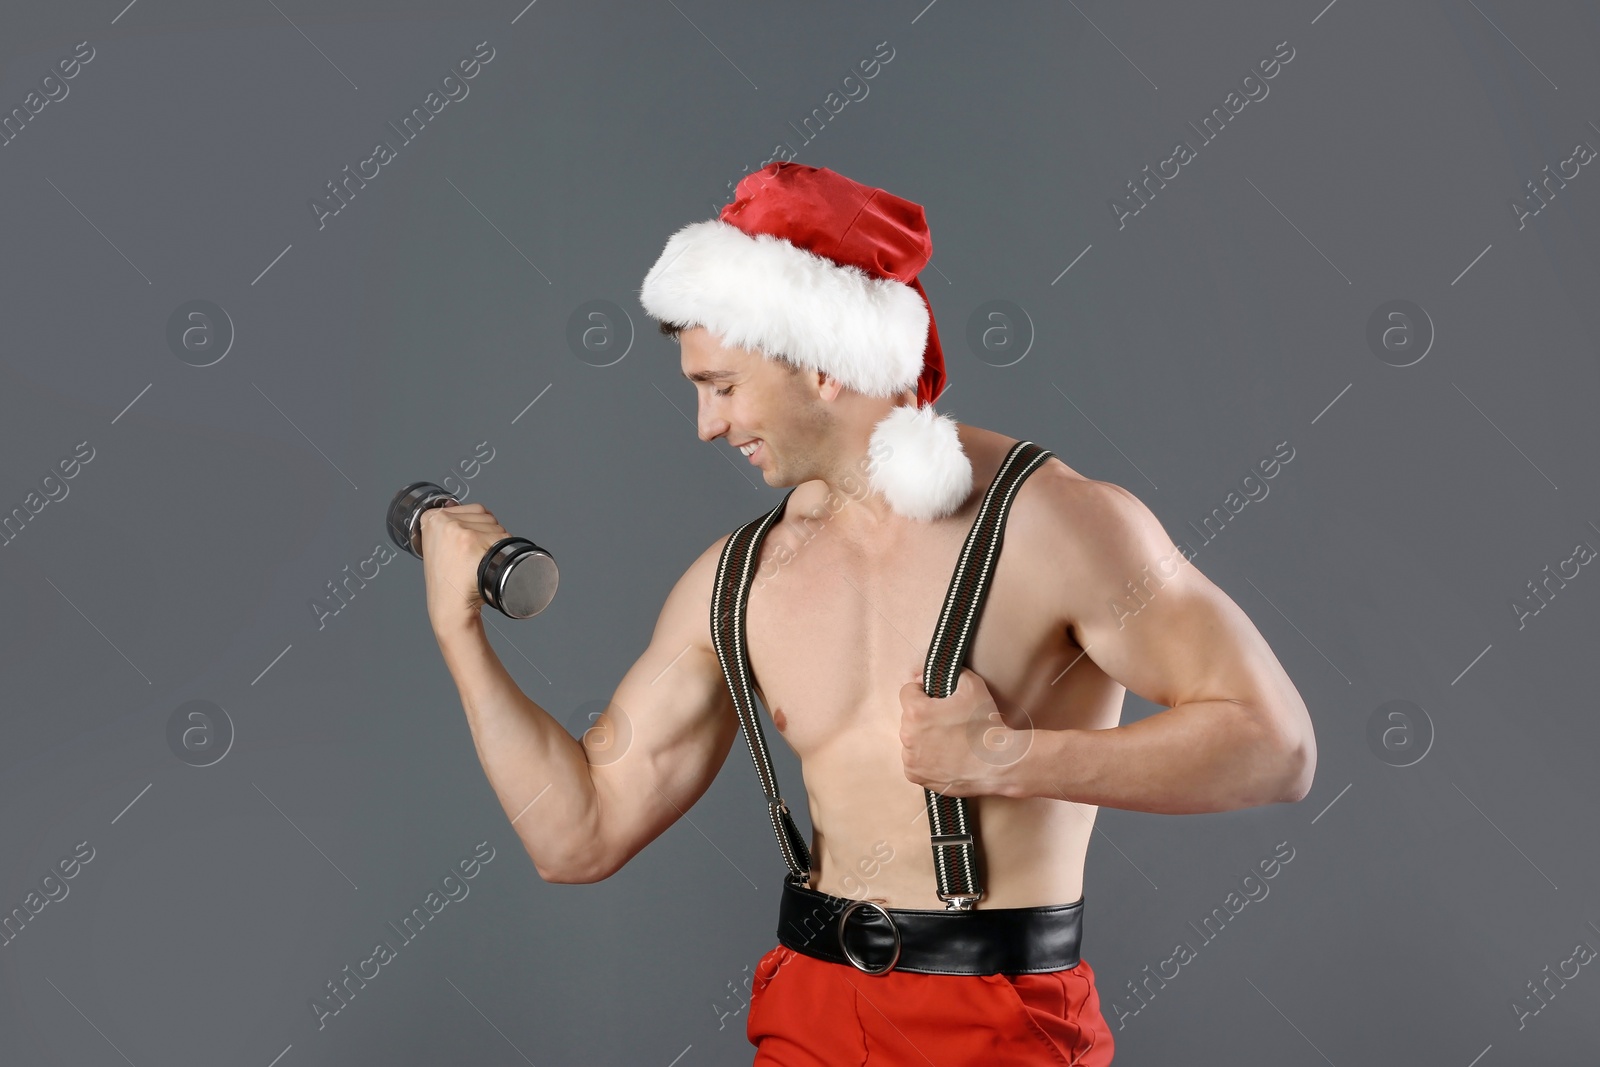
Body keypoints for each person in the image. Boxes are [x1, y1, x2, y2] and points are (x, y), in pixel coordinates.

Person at [420, 162, 1316, 1065]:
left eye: (722, 385)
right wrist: (461, 636)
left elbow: (1275, 746)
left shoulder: (1056, 526)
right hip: (809, 1014)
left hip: (998, 1023)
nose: (704, 423)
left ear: (820, 363)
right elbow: (577, 835)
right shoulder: (735, 581)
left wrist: (1014, 756)